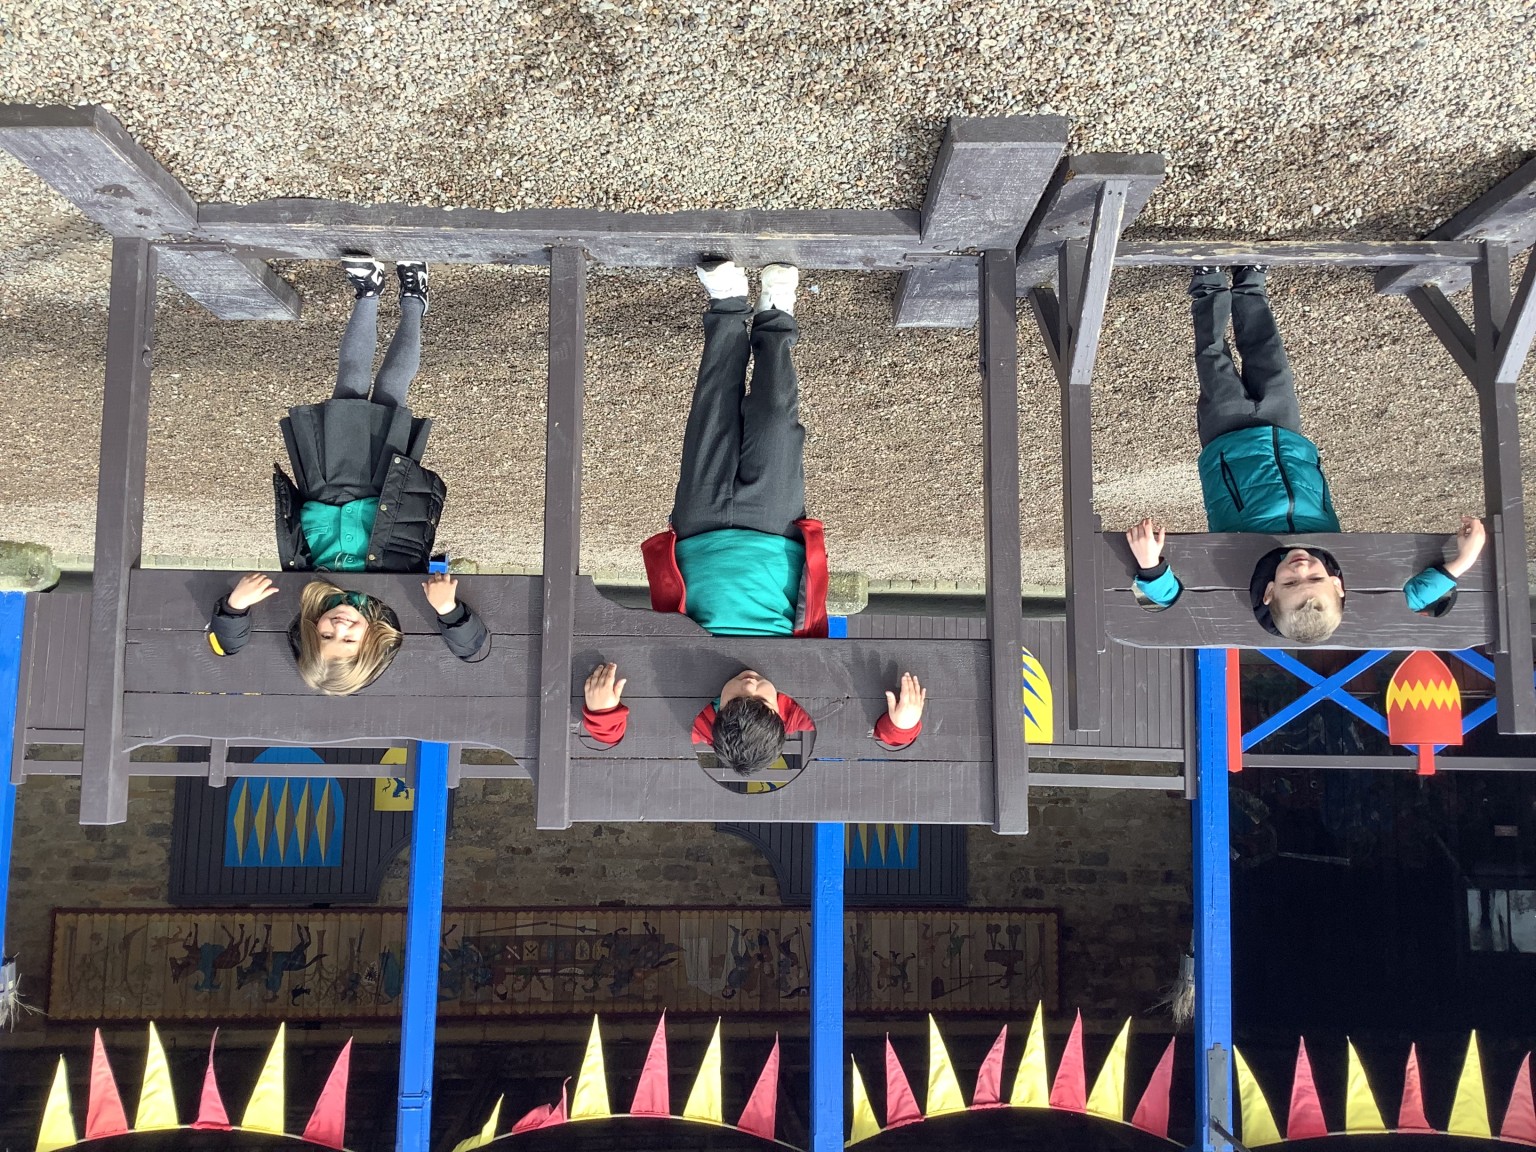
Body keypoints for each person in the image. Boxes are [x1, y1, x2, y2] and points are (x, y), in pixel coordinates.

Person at [580, 260, 927, 773]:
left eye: (734, 696)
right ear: (780, 712)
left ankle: (726, 305)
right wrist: (901, 727)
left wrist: (601, 714)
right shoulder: (800, 711)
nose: (748, 682)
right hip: (774, 533)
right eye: (760, 694)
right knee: (776, 423)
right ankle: (775, 316)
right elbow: (882, 745)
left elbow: (606, 750)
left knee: (711, 413)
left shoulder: (695, 718)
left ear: (716, 713)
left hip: (698, 533)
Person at [1125, 265, 1485, 642]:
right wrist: (1461, 562)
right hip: (1287, 442)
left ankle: (1208, 284)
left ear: (1268, 592)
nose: (1301, 568)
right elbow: (1412, 598)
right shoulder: (1347, 568)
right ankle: (1250, 283)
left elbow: (1173, 602)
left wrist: (1151, 567)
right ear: (1338, 585)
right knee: (1270, 357)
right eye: (1315, 578)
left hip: (1229, 448)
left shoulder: (1235, 577)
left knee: (1214, 360)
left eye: (1290, 582)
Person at [205, 259, 487, 693]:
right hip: (384, 491)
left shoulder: (309, 593)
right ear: (372, 642)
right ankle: (414, 298)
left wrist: (235, 607)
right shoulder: (388, 607)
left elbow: (223, 647)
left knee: (349, 384)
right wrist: (449, 611)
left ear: (310, 631)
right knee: (392, 389)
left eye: (326, 636)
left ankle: (368, 292)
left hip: (324, 483)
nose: (339, 627)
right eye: (350, 640)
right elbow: (474, 651)